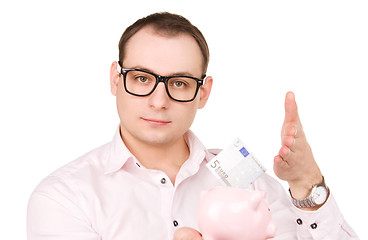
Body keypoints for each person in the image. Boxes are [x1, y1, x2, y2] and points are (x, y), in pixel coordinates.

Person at [27, 12, 359, 240]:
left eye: (180, 83)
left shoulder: (238, 167)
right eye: (142, 78)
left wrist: (307, 184)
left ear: (203, 92)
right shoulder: (63, 196)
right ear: (116, 79)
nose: (159, 101)